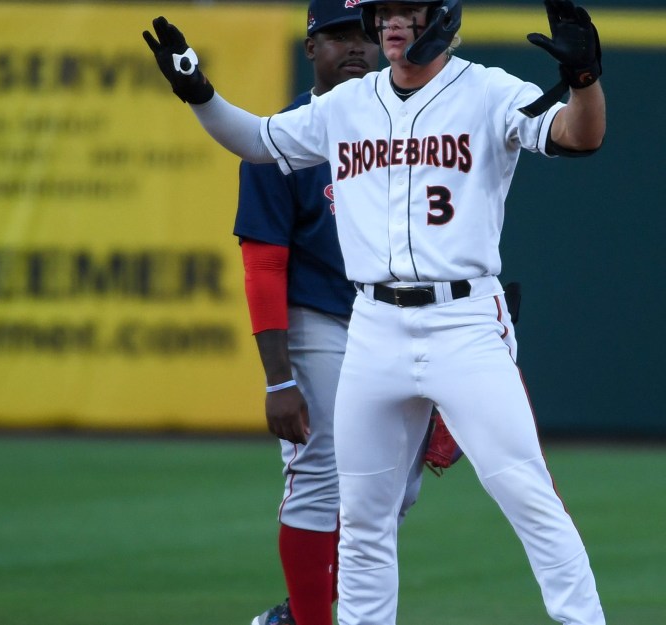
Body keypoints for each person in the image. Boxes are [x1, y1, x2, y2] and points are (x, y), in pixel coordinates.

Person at [143, 0, 608, 623]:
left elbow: (581, 136)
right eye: (384, 12)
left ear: (439, 17)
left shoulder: (488, 91)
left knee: (527, 496)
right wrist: (198, 91)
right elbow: (255, 141)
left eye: (406, 11)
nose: (390, 23)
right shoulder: (346, 105)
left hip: (462, 321)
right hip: (373, 326)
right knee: (363, 520)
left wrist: (584, 83)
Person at [228, 2, 440, 625]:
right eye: (336, 35)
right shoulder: (282, 135)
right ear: (309, 48)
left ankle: (300, 613)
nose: (354, 48)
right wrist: (279, 379)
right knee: (320, 473)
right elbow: (264, 264)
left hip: (399, 320)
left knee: (391, 491)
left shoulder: (408, 117)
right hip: (319, 316)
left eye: (364, 35)